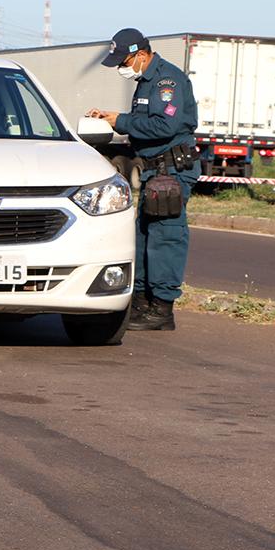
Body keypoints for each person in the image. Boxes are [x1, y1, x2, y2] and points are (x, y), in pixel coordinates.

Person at [87, 27, 199, 331]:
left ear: (140, 55)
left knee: (165, 238)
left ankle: (161, 308)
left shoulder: (167, 81)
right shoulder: (146, 82)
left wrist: (120, 121)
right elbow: (146, 121)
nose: (122, 69)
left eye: (124, 62)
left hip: (171, 172)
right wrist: (114, 118)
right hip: (154, 171)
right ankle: (140, 302)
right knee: (143, 237)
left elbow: (164, 125)